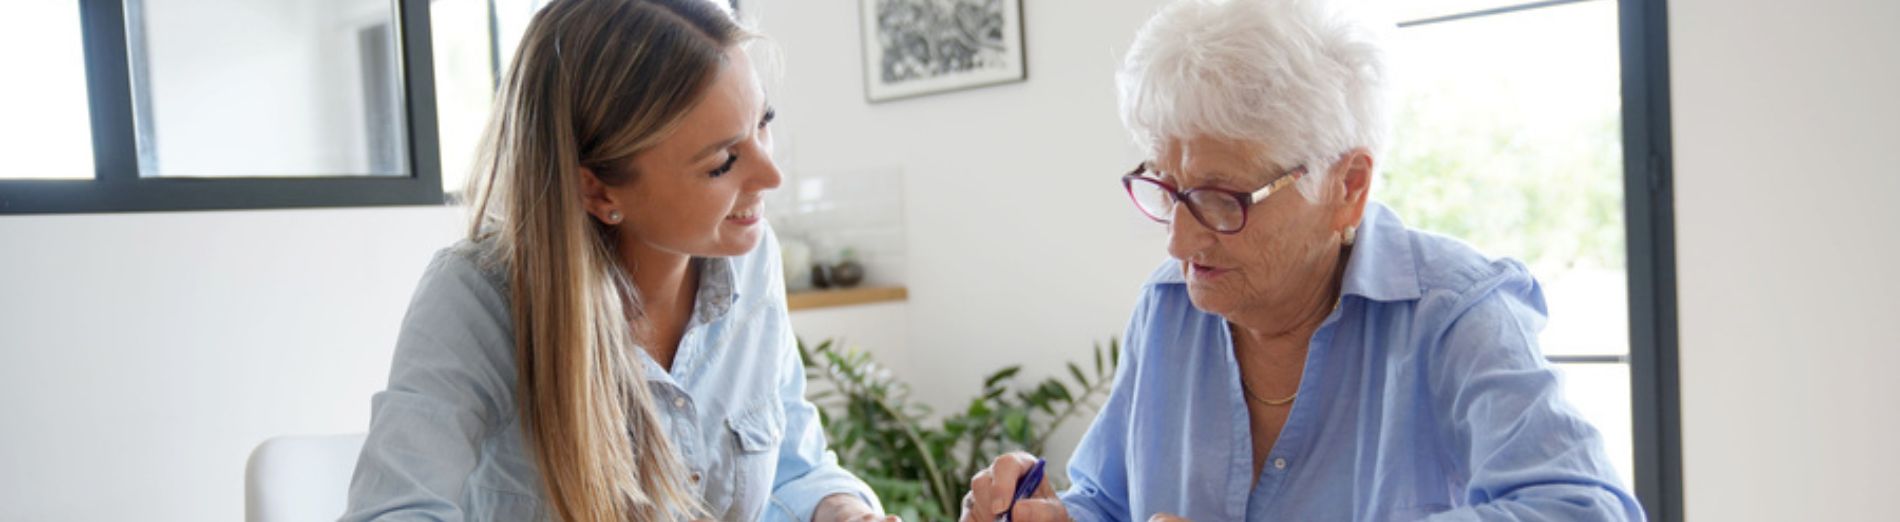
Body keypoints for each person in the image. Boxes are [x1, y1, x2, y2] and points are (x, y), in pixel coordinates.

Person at [962, 0, 1644, 520]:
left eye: (1222, 200)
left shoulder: (1455, 313)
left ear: (1347, 187)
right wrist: (1053, 512)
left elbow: (1585, 509)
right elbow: (1110, 501)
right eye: (1167, 190)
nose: (1179, 242)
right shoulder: (1170, 307)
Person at [342, 1, 890, 520]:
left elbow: (795, 468)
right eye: (723, 161)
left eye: (763, 122)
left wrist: (842, 510)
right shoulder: (479, 298)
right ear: (598, 191)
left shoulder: (750, 258)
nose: (772, 175)